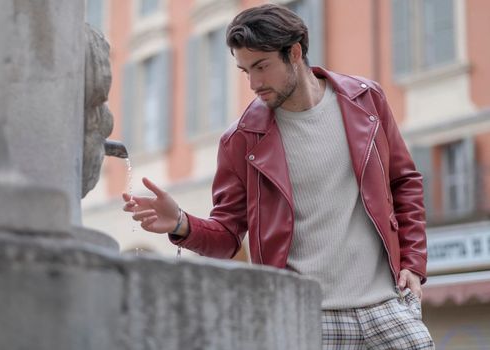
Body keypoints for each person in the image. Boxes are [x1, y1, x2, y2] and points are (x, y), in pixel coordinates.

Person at [123, 4, 434, 349]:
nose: (254, 83)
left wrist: (413, 262)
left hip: (386, 304)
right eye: (245, 71)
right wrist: (181, 223)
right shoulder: (241, 140)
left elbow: (404, 181)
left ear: (295, 52)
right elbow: (228, 235)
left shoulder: (366, 100)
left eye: (262, 66)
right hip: (308, 315)